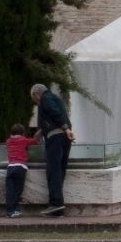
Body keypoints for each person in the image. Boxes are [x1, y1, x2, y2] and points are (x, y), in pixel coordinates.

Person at [30, 82, 74, 217]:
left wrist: (65, 129)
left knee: (53, 171)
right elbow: (55, 115)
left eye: (34, 99)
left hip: (55, 138)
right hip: (64, 138)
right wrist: (41, 131)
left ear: (36, 94)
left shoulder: (45, 98)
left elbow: (53, 112)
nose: (36, 102)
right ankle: (58, 207)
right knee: (60, 171)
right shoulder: (55, 98)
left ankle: (55, 203)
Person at [2, 123, 35, 219]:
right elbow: (34, 141)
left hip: (11, 167)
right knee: (17, 190)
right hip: (21, 167)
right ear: (23, 133)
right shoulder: (23, 140)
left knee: (9, 190)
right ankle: (13, 211)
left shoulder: (8, 141)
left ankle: (10, 211)